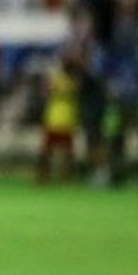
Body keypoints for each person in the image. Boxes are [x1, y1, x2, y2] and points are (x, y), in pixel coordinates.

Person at [36, 50, 80, 184]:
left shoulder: (74, 80)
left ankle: (66, 177)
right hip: (53, 119)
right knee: (47, 151)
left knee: (67, 152)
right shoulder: (56, 78)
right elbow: (48, 90)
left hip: (67, 120)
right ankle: (43, 176)